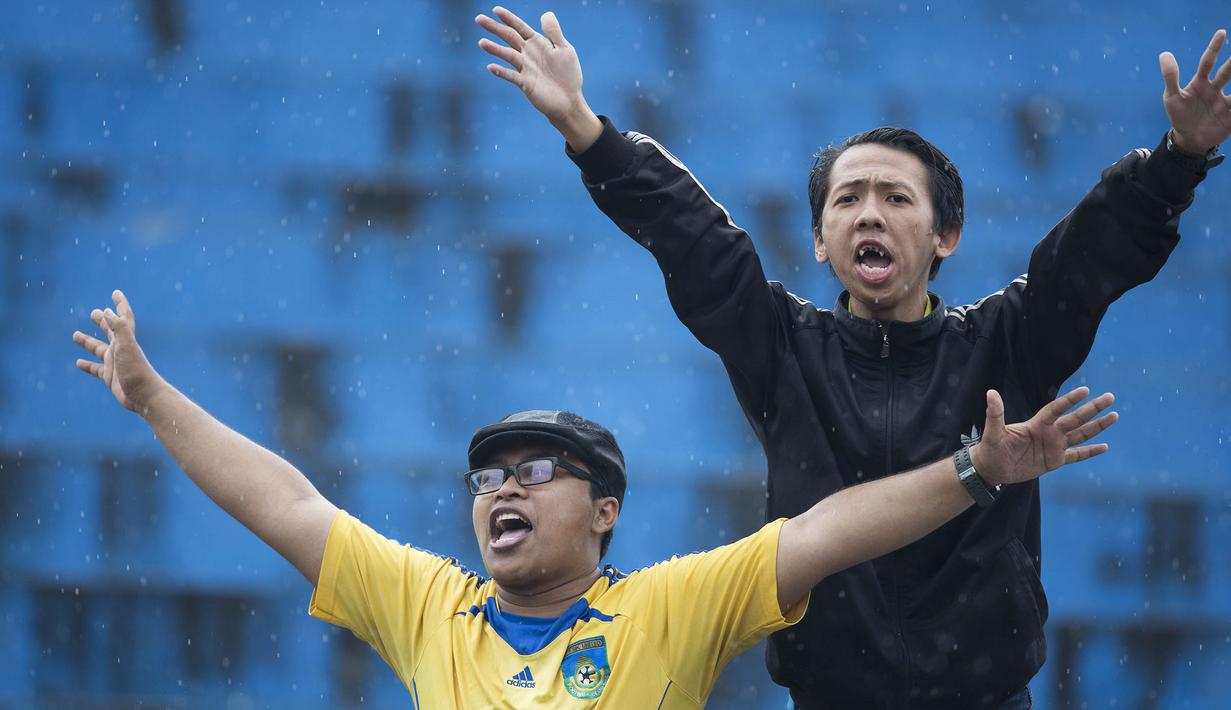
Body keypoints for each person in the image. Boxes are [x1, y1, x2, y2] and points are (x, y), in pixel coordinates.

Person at [475, 7, 1230, 708]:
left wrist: (1180, 157)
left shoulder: (1009, 339)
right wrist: (583, 126)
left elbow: (1089, 253)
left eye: (896, 198)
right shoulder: (781, 347)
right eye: (848, 199)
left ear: (946, 236)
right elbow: (692, 236)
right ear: (818, 240)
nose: (869, 211)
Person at [72, 290, 1115, 707]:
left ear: (604, 509)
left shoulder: (663, 606)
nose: (500, 492)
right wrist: (153, 396)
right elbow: (284, 504)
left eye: (534, 472)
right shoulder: (430, 605)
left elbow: (826, 530)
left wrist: (976, 471)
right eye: (486, 477)